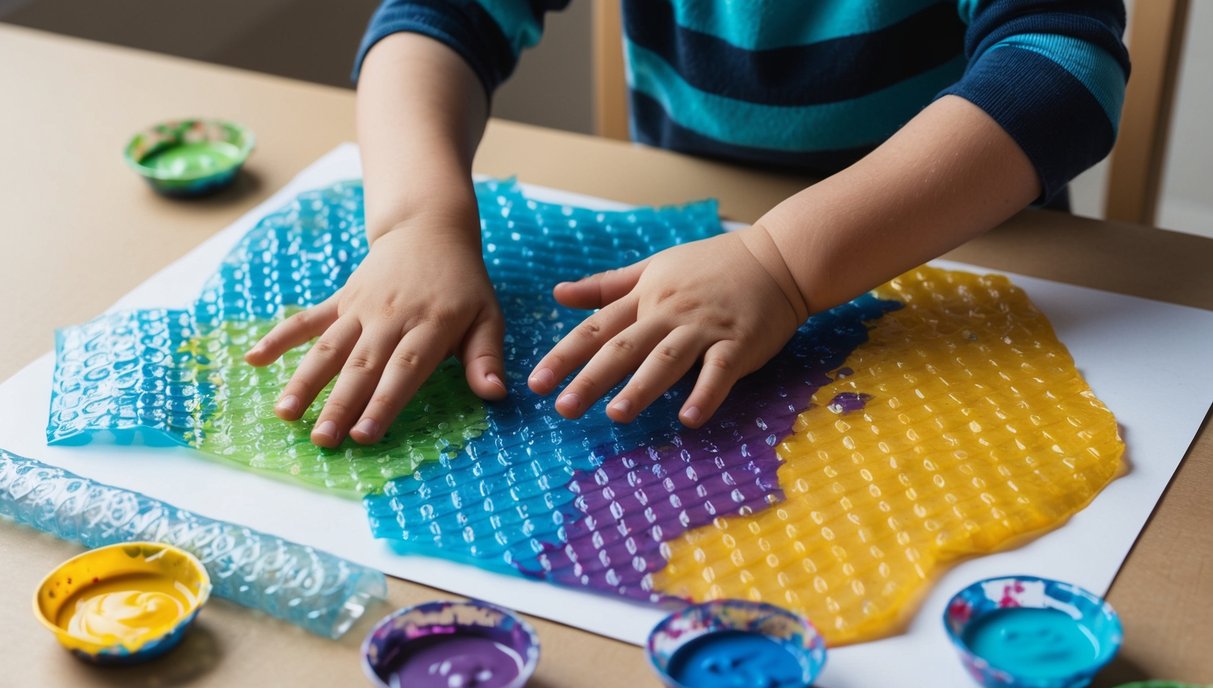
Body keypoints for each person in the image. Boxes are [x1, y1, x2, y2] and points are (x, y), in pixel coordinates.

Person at [244, 1, 1129, 447]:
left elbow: (1060, 73)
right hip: (696, 239)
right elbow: (433, 20)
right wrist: (414, 222)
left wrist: (780, 261)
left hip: (961, 247)